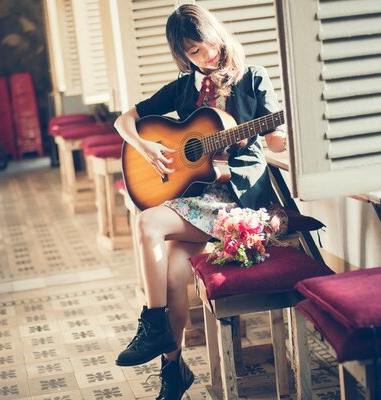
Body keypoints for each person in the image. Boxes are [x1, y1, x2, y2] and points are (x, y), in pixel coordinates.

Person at [113, 4, 286, 399]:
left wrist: (281, 133)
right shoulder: (184, 87)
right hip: (196, 198)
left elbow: (275, 140)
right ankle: (173, 373)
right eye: (192, 51)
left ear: (216, 32)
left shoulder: (253, 77)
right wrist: (145, 147)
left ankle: (152, 325)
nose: (205, 53)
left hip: (236, 201)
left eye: (205, 42)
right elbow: (124, 121)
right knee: (173, 274)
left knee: (147, 223)